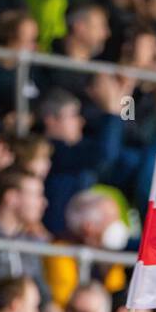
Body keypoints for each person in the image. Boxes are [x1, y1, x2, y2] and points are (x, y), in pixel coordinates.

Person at [39, 85, 127, 236]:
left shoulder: (76, 149)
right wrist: (112, 112)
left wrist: (123, 93)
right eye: (73, 116)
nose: (81, 122)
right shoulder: (52, 151)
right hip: (58, 239)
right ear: (51, 120)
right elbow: (105, 154)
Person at [0, 167, 52, 306]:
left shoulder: (29, 240)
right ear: (11, 198)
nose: (43, 203)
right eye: (37, 195)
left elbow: (42, 291)